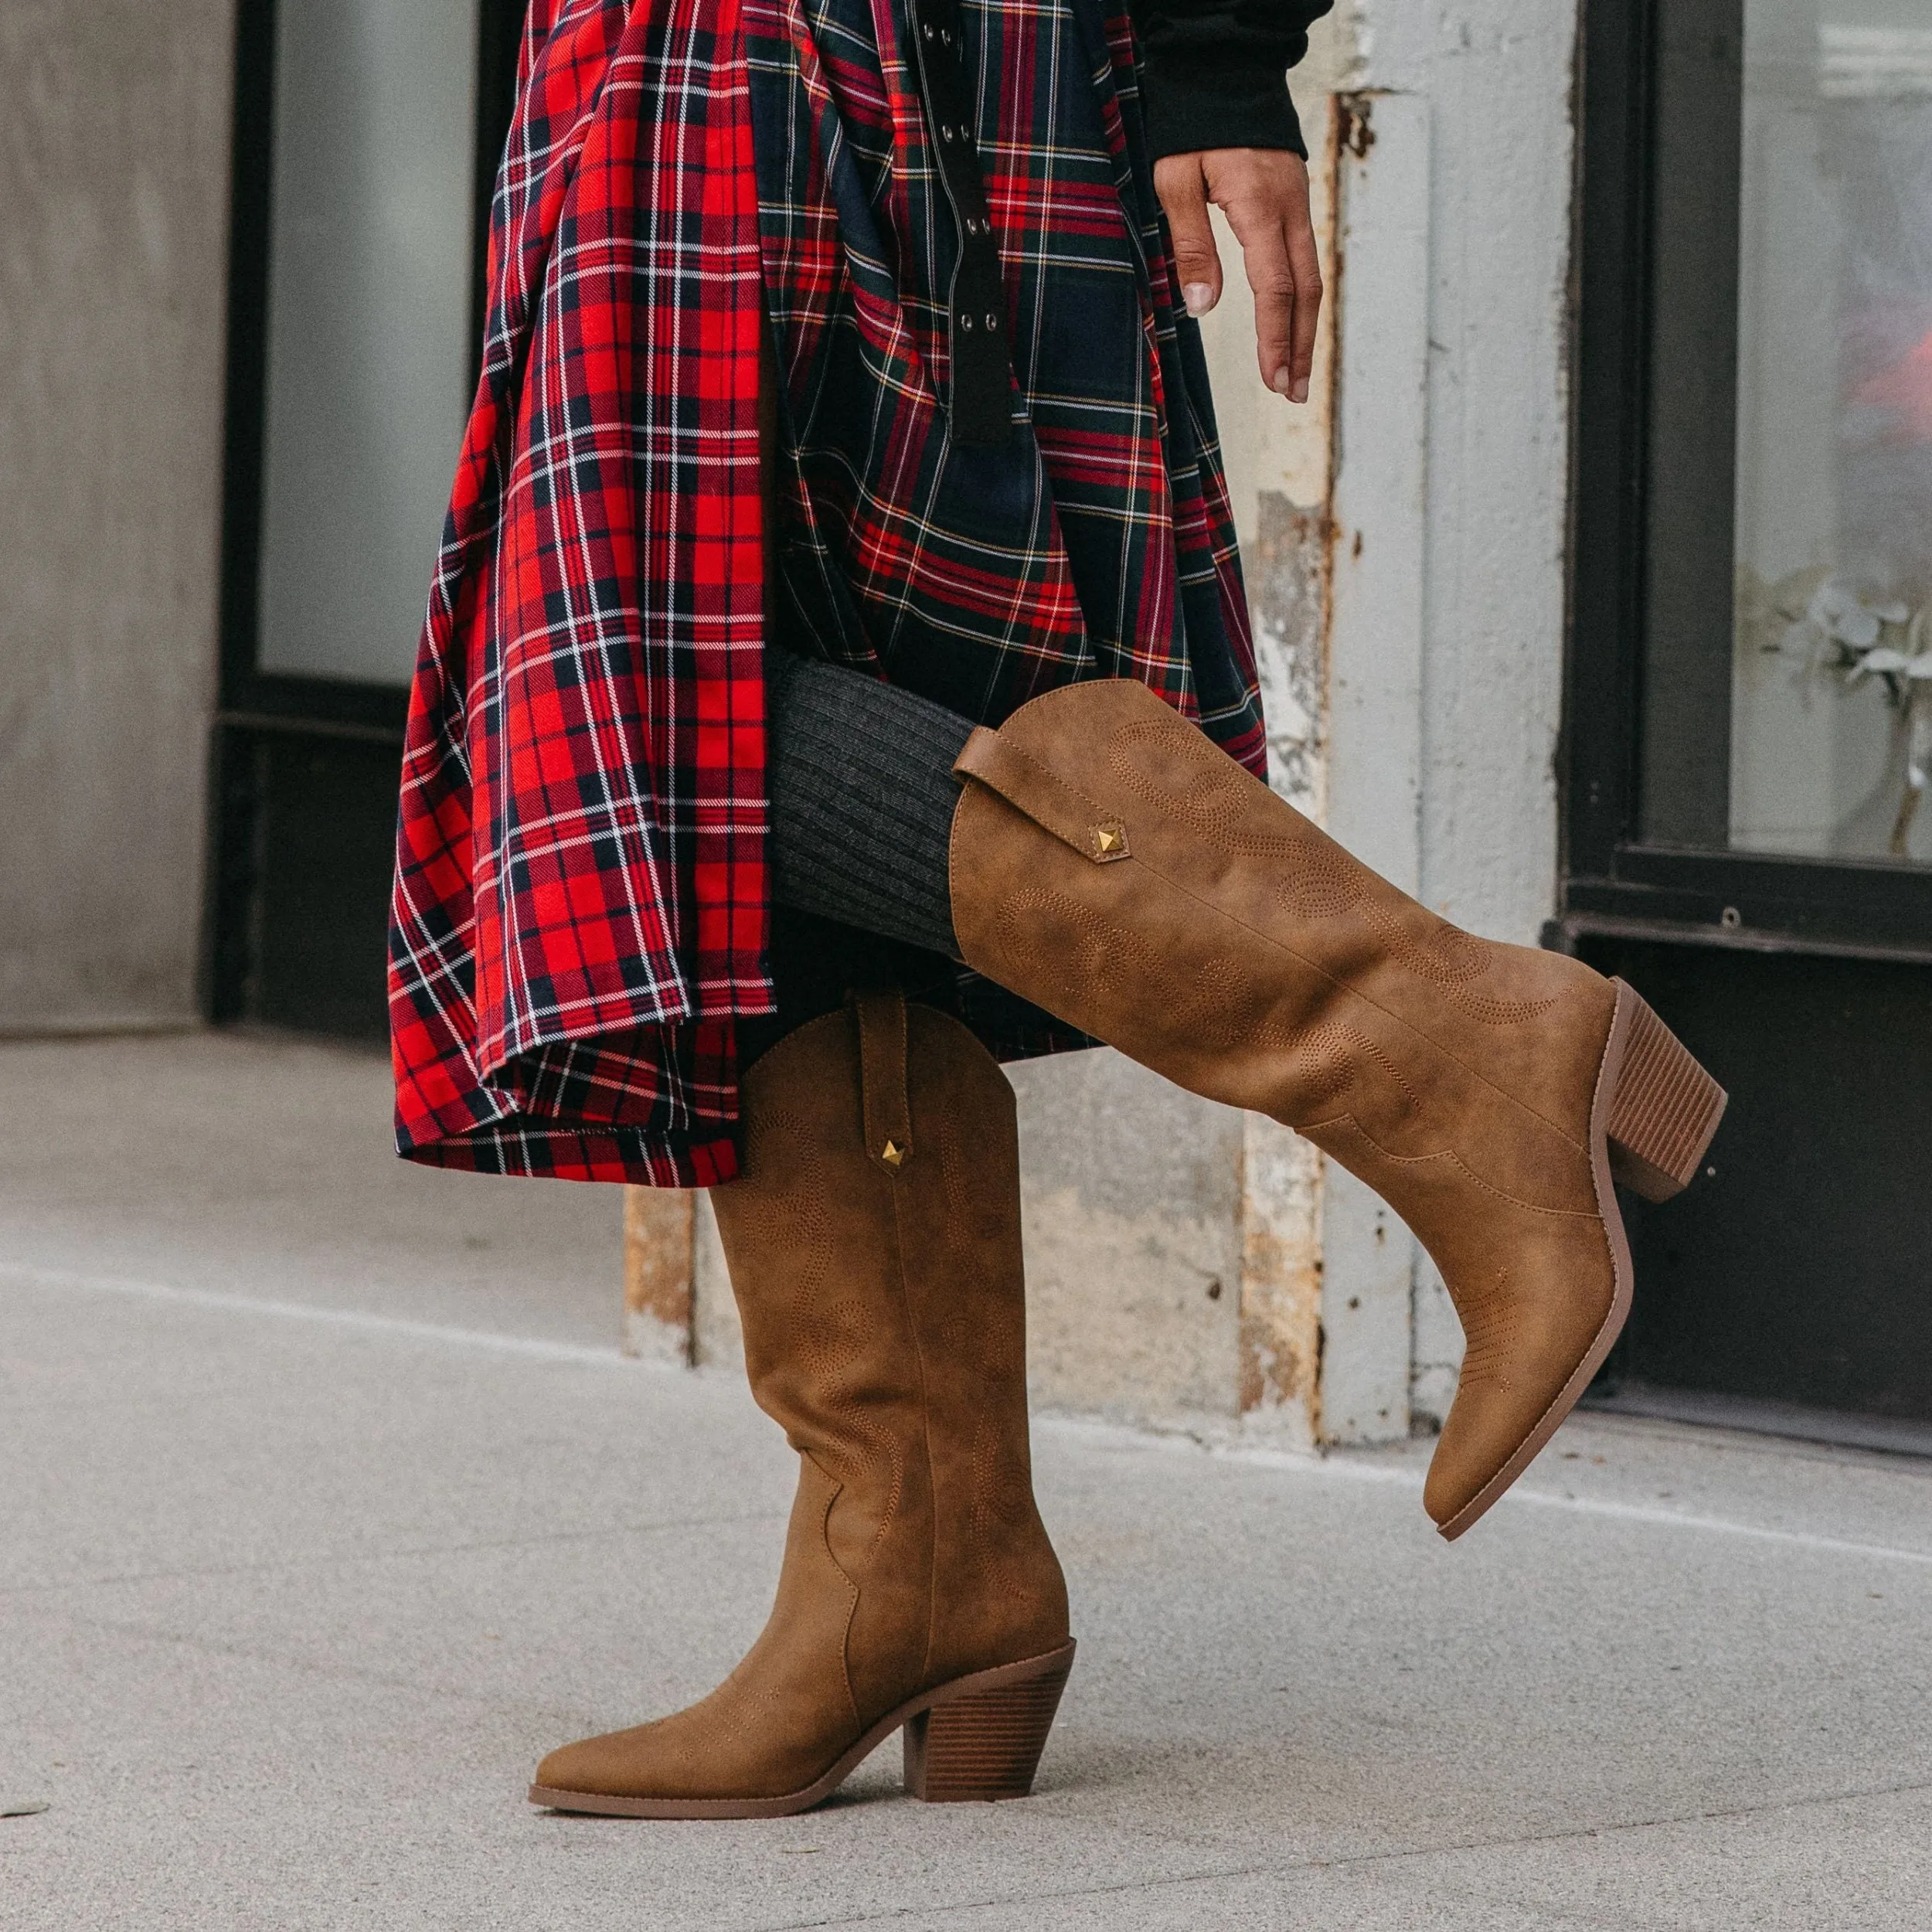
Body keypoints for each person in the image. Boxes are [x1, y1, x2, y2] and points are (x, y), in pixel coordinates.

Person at [389, 0, 1726, 1820]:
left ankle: (1455, 1047)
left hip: (789, 48)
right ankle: (920, 1562)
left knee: (636, 703)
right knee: (808, 694)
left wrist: (1213, 44)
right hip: (742, 53)